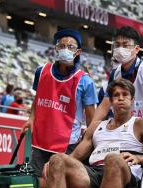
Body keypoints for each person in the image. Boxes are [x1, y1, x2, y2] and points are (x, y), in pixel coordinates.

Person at [22, 28, 98, 179]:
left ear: (78, 52)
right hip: (39, 141)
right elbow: (38, 99)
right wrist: (31, 119)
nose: (65, 49)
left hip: (67, 144)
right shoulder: (41, 71)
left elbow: (91, 119)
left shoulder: (85, 81)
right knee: (34, 185)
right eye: (61, 46)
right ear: (56, 48)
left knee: (58, 186)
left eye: (70, 47)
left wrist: (90, 143)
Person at [93, 26, 143, 139]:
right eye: (117, 45)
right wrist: (92, 127)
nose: (120, 49)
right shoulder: (115, 73)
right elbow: (104, 105)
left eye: (125, 45)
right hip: (131, 132)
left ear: (136, 49)